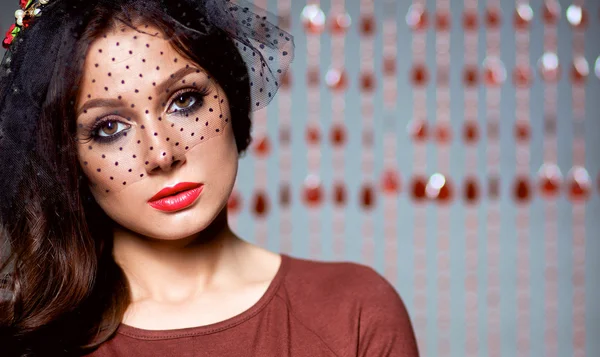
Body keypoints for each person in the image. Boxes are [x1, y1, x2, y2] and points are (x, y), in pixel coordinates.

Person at [0, 0, 419, 356]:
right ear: (68, 156)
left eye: (184, 101)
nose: (161, 153)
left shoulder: (354, 312)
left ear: (231, 97)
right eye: (110, 128)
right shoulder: (32, 340)